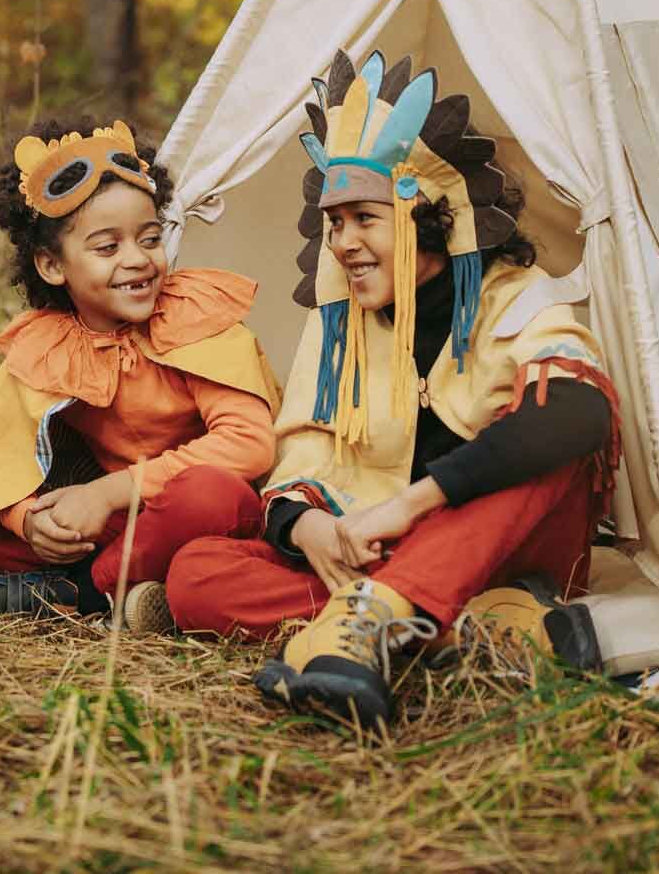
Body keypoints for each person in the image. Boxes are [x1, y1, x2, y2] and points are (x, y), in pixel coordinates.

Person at [167, 52, 620, 728]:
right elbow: (304, 455)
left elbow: (582, 413)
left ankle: (367, 625)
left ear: (429, 217)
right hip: (389, 555)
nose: (343, 243)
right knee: (195, 572)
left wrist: (415, 503)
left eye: (364, 219)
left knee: (540, 435)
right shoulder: (337, 326)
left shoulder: (516, 301)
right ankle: (477, 631)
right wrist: (308, 525)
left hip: (496, 546)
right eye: (334, 223)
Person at [0, 118, 279, 633]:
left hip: (189, 513)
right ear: (52, 265)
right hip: (116, 524)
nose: (138, 260)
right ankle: (121, 583)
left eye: (150, 238)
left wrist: (110, 492)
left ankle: (80, 592)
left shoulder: (193, 317)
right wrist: (28, 519)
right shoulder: (52, 344)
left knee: (209, 495)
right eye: (107, 247)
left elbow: (250, 445)